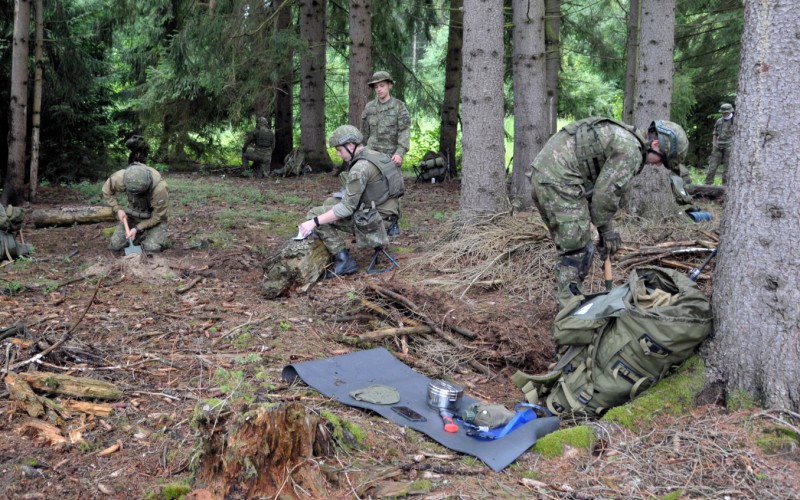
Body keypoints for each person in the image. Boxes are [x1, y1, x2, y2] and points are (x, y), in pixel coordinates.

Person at [528, 117, 688, 307]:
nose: (658, 165)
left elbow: (596, 186)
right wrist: (607, 231)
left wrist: (605, 230)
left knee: (571, 246)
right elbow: (605, 196)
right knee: (577, 248)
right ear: (655, 144)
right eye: (663, 159)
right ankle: (568, 312)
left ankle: (568, 302)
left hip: (547, 175)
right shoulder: (631, 151)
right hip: (559, 181)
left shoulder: (625, 137)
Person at [297, 125, 404, 278]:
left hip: (376, 220)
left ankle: (343, 260)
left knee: (314, 213)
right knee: (329, 202)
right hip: (390, 213)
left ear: (351, 145)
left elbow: (347, 208)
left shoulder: (359, 168)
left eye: (340, 150)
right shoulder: (376, 155)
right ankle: (335, 251)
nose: (339, 154)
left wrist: (313, 222)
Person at [102, 163, 170, 253]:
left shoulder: (160, 189)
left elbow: (158, 217)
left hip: (154, 220)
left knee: (152, 248)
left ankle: (157, 238)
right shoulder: (121, 177)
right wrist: (117, 209)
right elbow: (107, 190)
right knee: (115, 245)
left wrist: (137, 228)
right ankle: (137, 239)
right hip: (133, 216)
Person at [360, 71, 411, 168]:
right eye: (376, 87)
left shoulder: (399, 107)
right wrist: (361, 148)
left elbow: (404, 132)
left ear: (390, 85)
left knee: (389, 181)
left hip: (390, 156)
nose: (379, 89)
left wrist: (399, 153)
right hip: (371, 152)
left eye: (382, 85)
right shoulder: (369, 107)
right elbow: (364, 132)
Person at [703, 103, 736, 185]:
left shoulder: (735, 121)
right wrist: (714, 144)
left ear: (730, 112)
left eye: (725, 113)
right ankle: (707, 184)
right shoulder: (719, 121)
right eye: (722, 113)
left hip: (729, 146)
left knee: (727, 169)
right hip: (718, 146)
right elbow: (715, 133)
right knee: (712, 167)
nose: (724, 114)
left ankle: (725, 186)